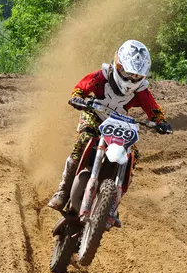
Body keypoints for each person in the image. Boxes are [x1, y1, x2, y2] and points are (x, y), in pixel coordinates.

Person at [47, 40, 172, 211]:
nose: (131, 79)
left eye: (136, 76)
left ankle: (112, 204)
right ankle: (62, 192)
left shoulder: (141, 90)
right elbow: (81, 87)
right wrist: (77, 97)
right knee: (84, 139)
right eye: (128, 73)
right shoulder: (102, 76)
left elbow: (153, 108)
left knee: (132, 154)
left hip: (119, 123)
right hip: (94, 114)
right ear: (119, 65)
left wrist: (161, 122)